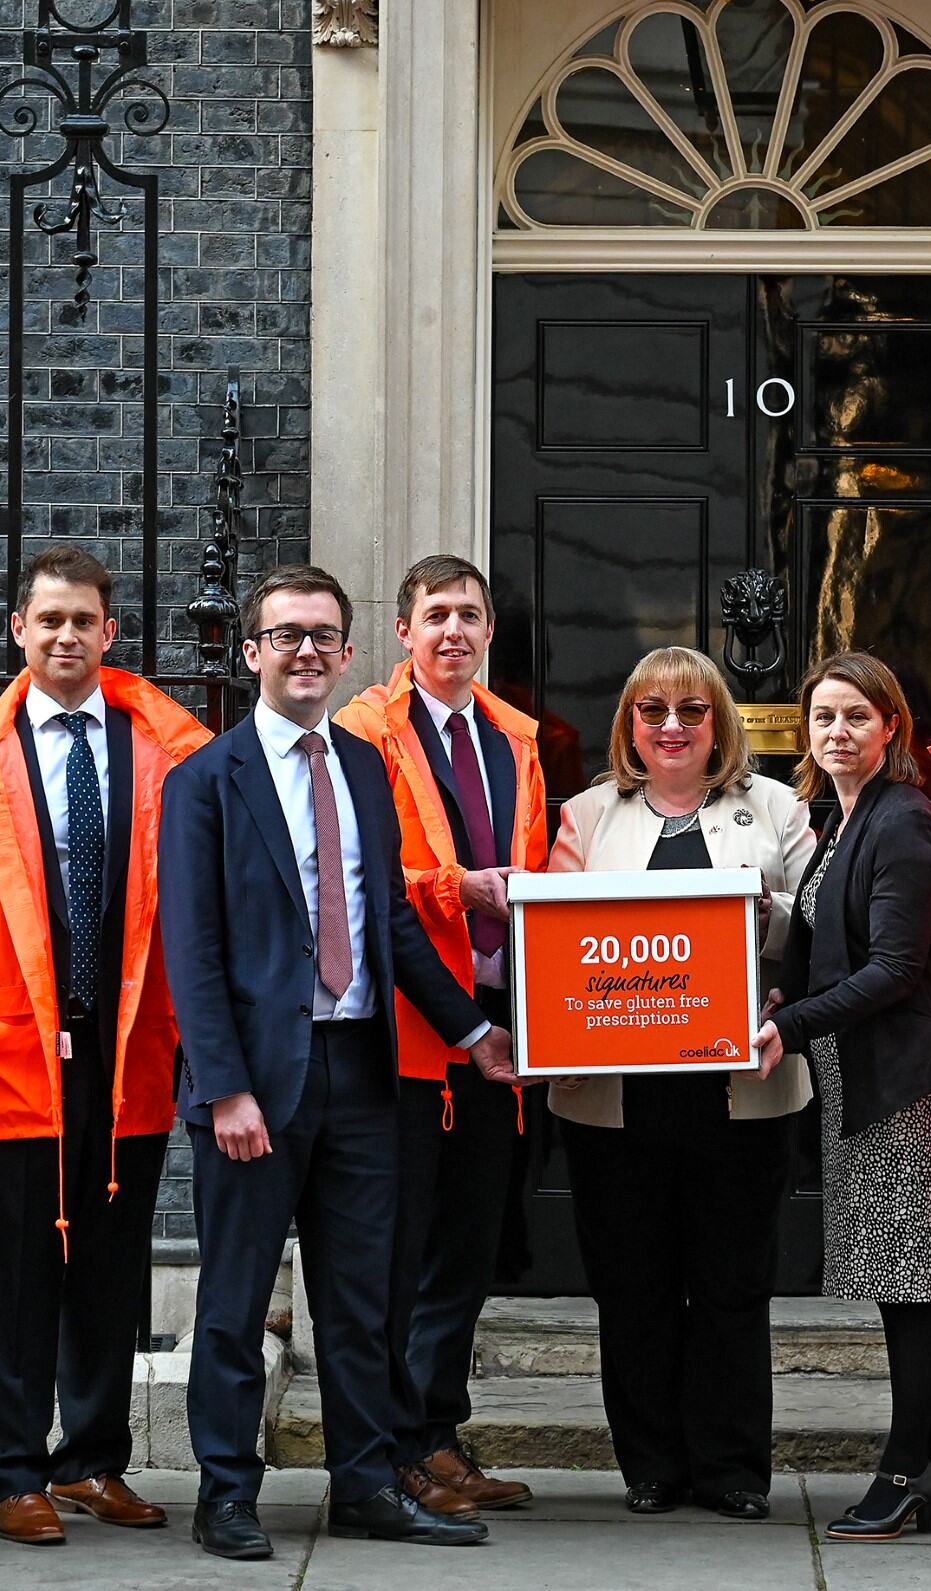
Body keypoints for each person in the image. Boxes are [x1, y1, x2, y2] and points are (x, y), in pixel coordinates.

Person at [160, 564, 517, 1561]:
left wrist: (471, 1032)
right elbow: (191, 946)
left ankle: (364, 1482)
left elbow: (390, 921)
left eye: (323, 634)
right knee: (235, 1303)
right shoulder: (205, 779)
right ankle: (226, 1492)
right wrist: (225, 1087)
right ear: (252, 653)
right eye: (287, 635)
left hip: (364, 1069)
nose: (306, 651)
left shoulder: (362, 765)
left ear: (350, 651)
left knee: (362, 1301)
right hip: (255, 1085)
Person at [0, 545, 212, 1546]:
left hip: (130, 1046)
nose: (67, 635)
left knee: (112, 1264)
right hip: (8, 1049)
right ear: (18, 631)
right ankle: (12, 1469)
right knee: (16, 1269)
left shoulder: (165, 753)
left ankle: (91, 1458)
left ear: (110, 632)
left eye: (84, 619)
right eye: (49, 620)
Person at [546, 646, 817, 1523]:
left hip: (740, 1091)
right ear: (629, 724)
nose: (672, 726)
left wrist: (768, 923)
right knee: (633, 1285)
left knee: (734, 1283)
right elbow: (553, 948)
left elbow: (823, 933)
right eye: (653, 709)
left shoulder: (777, 808)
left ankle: (732, 1466)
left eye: (692, 710)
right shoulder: (586, 814)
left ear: (719, 723)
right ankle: (652, 1463)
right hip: (616, 1096)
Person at [333, 554, 548, 1517]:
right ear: (403, 632)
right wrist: (456, 889)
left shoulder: (516, 738)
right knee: (400, 1252)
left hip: (503, 1026)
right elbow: (368, 883)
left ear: (490, 631)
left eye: (469, 614)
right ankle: (394, 1446)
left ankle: (437, 1434)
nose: (453, 630)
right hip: (411, 1031)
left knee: (465, 1248)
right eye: (436, 615)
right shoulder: (364, 731)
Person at [761, 651, 931, 1542]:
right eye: (823, 717)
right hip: (863, 1079)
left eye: (855, 716)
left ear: (891, 726)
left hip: (908, 1085)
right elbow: (830, 947)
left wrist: (790, 1024)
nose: (837, 731)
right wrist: (782, 991)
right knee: (898, 1281)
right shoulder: (842, 818)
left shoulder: (905, 820)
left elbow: (893, 969)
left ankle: (906, 1467)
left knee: (912, 1283)